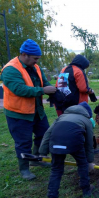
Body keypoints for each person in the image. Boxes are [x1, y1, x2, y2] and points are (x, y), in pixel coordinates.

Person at [0, 39, 57, 180]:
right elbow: (19, 89)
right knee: (23, 142)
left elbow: (44, 81)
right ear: (24, 55)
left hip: (37, 110)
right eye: (35, 58)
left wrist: (51, 88)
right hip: (18, 113)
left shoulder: (35, 67)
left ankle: (36, 160)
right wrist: (43, 90)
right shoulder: (10, 69)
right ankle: (24, 169)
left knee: (44, 135)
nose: (37, 61)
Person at [39, 102, 95, 198]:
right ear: (87, 113)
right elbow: (89, 143)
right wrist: (90, 161)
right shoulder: (86, 120)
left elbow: (47, 134)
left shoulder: (61, 117)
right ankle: (86, 190)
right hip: (74, 142)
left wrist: (42, 152)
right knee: (82, 164)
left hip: (55, 142)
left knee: (56, 170)